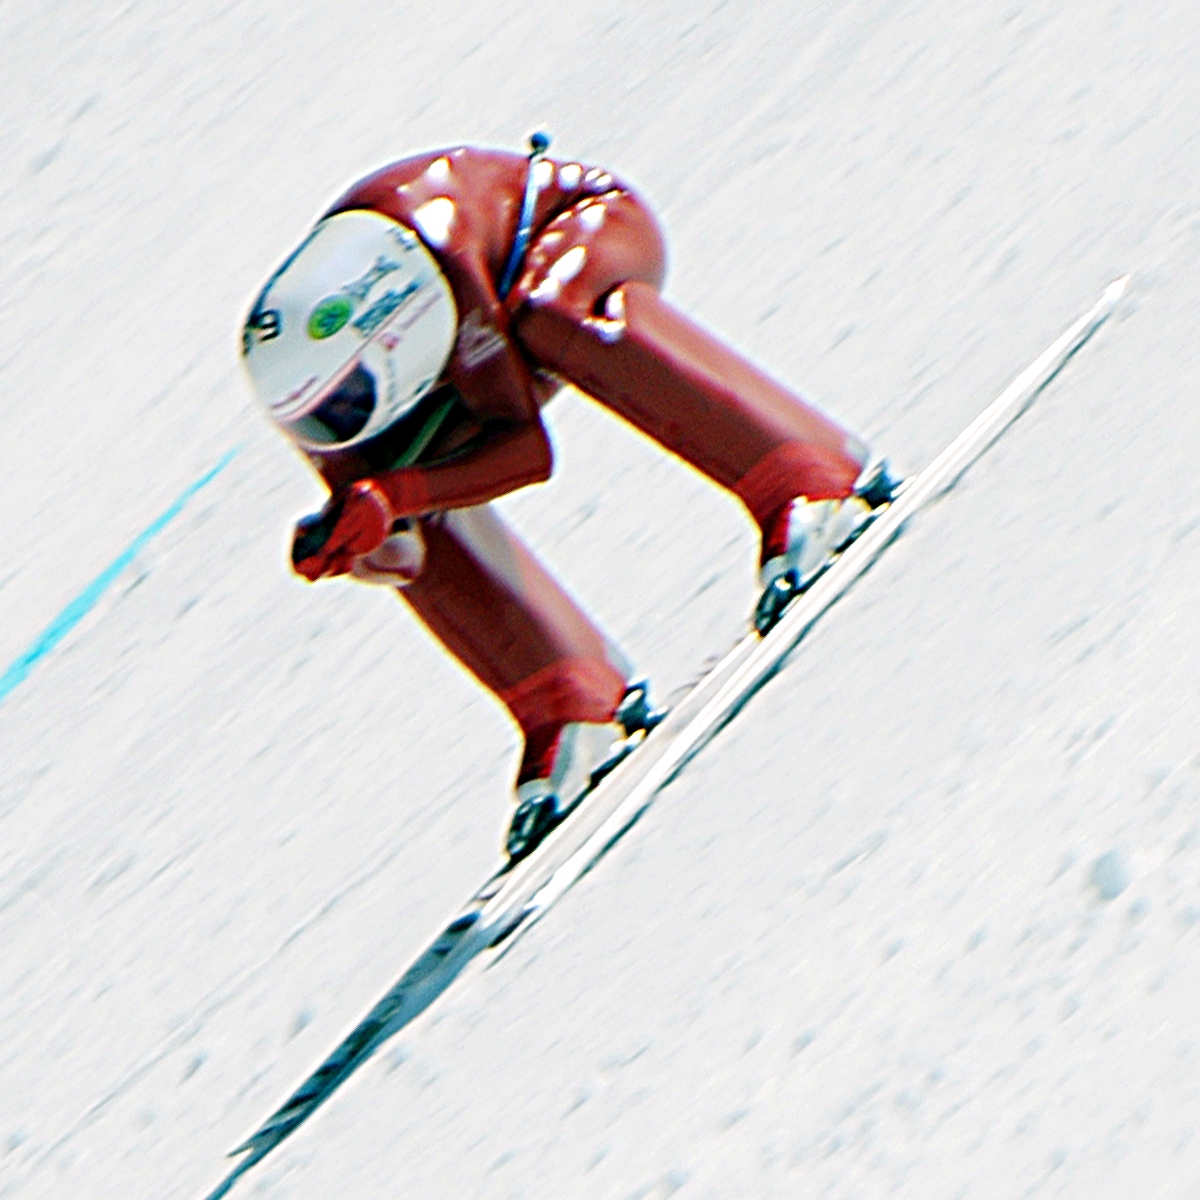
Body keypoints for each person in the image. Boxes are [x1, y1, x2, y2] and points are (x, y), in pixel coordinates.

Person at [241, 137, 898, 862]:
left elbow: (524, 450)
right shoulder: (314, 390)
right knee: (393, 498)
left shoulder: (437, 263)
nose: (339, 423)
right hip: (464, 345)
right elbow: (395, 528)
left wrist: (393, 491)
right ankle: (566, 695)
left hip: (574, 233)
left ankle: (805, 472)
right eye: (321, 419)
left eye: (348, 401)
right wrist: (366, 542)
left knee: (552, 314)